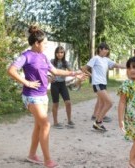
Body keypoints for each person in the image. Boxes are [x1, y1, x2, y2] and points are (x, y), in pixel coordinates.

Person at [7, 25, 84, 168]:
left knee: (39, 125)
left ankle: (31, 155)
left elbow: (55, 71)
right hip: (31, 96)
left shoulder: (43, 57)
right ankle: (48, 161)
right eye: (45, 43)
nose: (47, 46)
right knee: (46, 124)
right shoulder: (26, 56)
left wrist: (74, 73)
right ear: (37, 43)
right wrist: (26, 82)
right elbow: (11, 70)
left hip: (43, 96)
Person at [81, 42, 124, 131]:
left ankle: (97, 122)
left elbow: (117, 65)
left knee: (102, 104)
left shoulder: (106, 60)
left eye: (107, 49)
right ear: (100, 49)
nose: (106, 51)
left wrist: (129, 66)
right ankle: (98, 122)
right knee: (110, 103)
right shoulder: (95, 58)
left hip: (103, 83)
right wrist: (91, 75)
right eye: (105, 49)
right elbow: (84, 68)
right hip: (97, 83)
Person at [50, 46, 75, 129]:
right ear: (55, 53)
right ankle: (55, 123)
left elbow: (72, 72)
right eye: (58, 52)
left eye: (61, 52)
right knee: (55, 104)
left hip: (63, 84)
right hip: (54, 85)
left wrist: (78, 75)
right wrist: (49, 77)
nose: (59, 54)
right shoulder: (52, 62)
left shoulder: (66, 63)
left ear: (64, 54)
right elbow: (45, 71)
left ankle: (69, 120)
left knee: (68, 102)